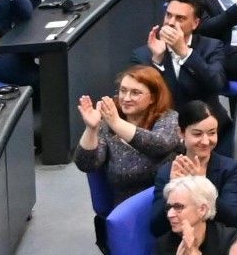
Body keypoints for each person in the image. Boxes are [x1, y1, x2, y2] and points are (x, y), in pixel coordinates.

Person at [72, 63, 182, 213]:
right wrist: (91, 129)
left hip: (168, 206)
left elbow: (159, 144)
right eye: (123, 91)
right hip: (127, 211)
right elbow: (86, 164)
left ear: (153, 98)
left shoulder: (169, 118)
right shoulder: (107, 126)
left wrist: (117, 123)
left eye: (135, 92)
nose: (126, 98)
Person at [148, 101, 237, 240]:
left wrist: (203, 184)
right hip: (180, 241)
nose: (205, 141)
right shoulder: (166, 172)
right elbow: (157, 228)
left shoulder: (230, 169)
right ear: (181, 133)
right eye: (197, 134)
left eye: (212, 133)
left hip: (219, 241)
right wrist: (172, 189)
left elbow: (231, 220)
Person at [131, 0, 228, 109]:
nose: (170, 22)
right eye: (168, 15)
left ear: (195, 23)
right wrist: (157, 61)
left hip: (205, 120)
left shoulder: (212, 47)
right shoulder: (142, 55)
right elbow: (141, 97)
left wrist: (185, 53)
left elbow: (217, 85)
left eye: (180, 18)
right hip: (161, 122)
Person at [158, 174, 237, 254]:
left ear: (202, 210)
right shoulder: (164, 245)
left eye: (178, 207)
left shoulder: (227, 240)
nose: (170, 214)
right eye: (169, 207)